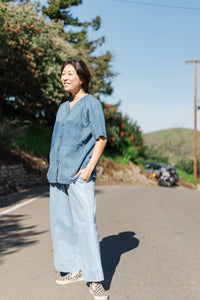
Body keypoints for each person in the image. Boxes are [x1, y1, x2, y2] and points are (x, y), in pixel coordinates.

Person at [47, 59, 109, 300]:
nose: (65, 77)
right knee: (62, 224)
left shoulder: (91, 104)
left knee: (85, 225)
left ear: (82, 78)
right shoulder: (63, 107)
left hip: (79, 175)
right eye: (63, 73)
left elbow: (100, 138)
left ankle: (95, 280)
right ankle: (74, 269)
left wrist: (88, 169)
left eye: (70, 74)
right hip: (58, 175)